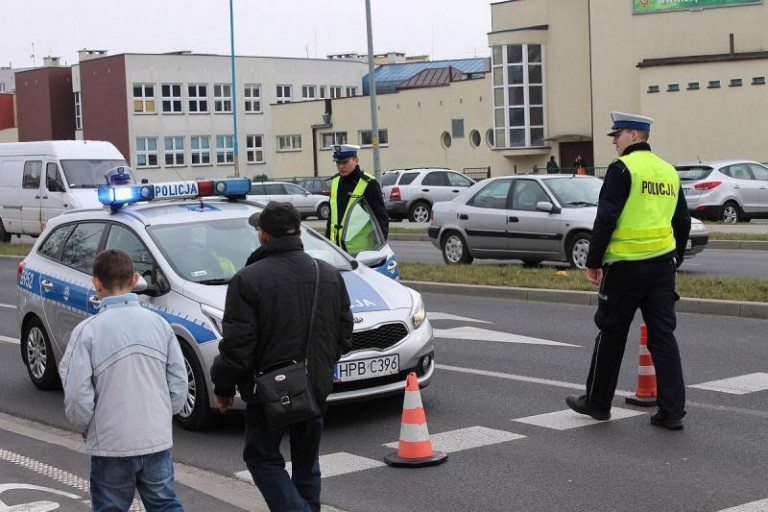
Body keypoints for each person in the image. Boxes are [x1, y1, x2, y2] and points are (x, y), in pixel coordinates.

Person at [211, 201, 353, 512]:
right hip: (315, 386)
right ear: (300, 232)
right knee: (306, 463)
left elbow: (237, 349)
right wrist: (320, 365)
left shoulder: (246, 280)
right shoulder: (327, 273)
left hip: (268, 391)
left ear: (262, 236)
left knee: (261, 457)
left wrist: (222, 388)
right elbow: (344, 333)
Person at [565, 111, 691, 430]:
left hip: (625, 268)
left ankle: (597, 403)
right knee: (663, 337)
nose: (613, 141)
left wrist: (593, 261)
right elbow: (682, 222)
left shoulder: (623, 169)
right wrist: (674, 257)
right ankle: (672, 411)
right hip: (662, 268)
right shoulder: (668, 171)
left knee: (612, 333)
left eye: (617, 134)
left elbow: (606, 218)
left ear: (634, 135)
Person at [59, 248, 187, 511]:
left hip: (110, 443)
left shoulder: (88, 331)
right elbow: (179, 382)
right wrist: (163, 415)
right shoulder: (159, 324)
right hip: (155, 438)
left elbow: (76, 394)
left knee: (110, 506)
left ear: (95, 283)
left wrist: (85, 424)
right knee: (164, 504)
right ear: (134, 279)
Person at [325, 144, 389, 249]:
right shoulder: (335, 182)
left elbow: (381, 219)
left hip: (361, 251)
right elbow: (332, 217)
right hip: (336, 249)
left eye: (345, 162)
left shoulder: (369, 183)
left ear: (356, 160)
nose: (341, 166)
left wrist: (377, 248)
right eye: (338, 162)